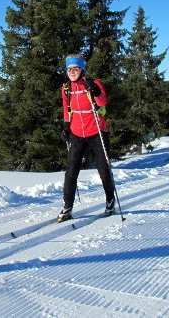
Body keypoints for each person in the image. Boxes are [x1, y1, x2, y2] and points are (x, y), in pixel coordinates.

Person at [58, 54, 116, 222]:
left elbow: (103, 102)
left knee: (104, 170)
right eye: (69, 69)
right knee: (71, 171)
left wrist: (95, 91)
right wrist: (66, 127)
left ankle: (110, 201)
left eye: (75, 68)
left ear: (82, 69)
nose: (72, 72)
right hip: (76, 132)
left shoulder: (93, 83)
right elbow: (66, 109)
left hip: (96, 130)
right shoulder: (66, 88)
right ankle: (67, 206)